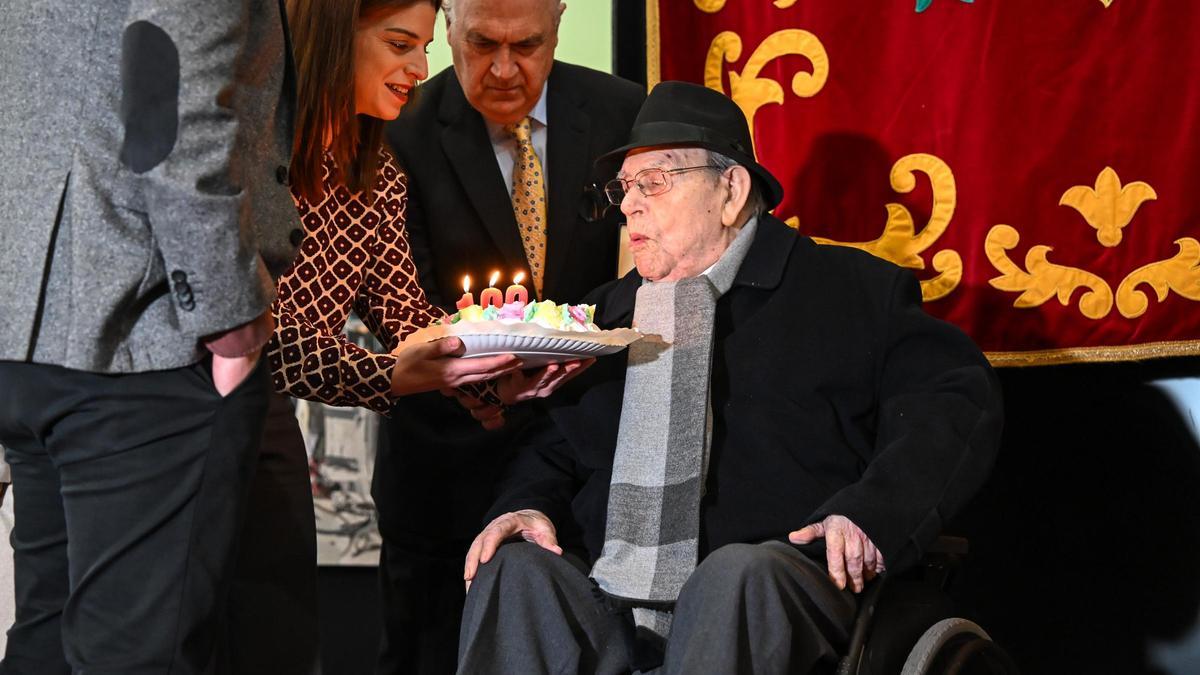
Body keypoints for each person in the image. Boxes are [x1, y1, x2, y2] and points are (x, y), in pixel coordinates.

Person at [457, 81, 1005, 675]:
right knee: (513, 567)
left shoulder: (848, 293)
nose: (629, 205)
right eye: (624, 188)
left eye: (655, 182)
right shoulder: (605, 316)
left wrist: (873, 513)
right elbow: (554, 446)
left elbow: (954, 399)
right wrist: (526, 506)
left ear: (731, 189)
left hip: (772, 588)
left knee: (732, 575)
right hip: (610, 600)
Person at [220, 2, 589, 672]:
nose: (420, 70)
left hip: (259, 417)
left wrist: (485, 360)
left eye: (423, 48)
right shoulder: (249, 145)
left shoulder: (377, 173)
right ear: (334, 36)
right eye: (400, 44)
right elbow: (251, 337)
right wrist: (392, 373)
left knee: (279, 640)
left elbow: (409, 318)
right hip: (176, 406)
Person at [0, 2, 298, 673]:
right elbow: (175, 94)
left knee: (47, 645)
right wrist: (227, 312)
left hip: (37, 330)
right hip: (139, 335)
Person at [375, 0, 645, 671]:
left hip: (581, 461)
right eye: (481, 44)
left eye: (526, 45)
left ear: (557, 25)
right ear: (448, 29)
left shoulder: (622, 113)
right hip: (446, 461)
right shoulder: (399, 128)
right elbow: (390, 304)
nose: (503, 68)